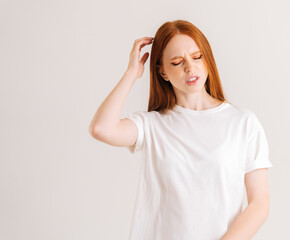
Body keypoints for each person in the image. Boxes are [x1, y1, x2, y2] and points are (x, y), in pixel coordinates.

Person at [89, 19, 273, 240]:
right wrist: (132, 73)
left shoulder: (243, 123)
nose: (189, 67)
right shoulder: (152, 125)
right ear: (163, 72)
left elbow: (259, 204)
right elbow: (101, 128)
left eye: (197, 57)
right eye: (176, 62)